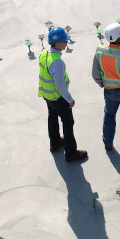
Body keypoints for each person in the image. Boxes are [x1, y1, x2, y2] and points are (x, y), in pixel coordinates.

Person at [38, 26, 88, 162]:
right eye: (65, 41)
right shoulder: (57, 62)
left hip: (46, 95)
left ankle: (54, 143)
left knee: (52, 117)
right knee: (68, 122)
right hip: (58, 97)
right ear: (57, 43)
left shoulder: (44, 54)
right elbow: (60, 85)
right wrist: (69, 99)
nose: (67, 43)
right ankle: (71, 152)